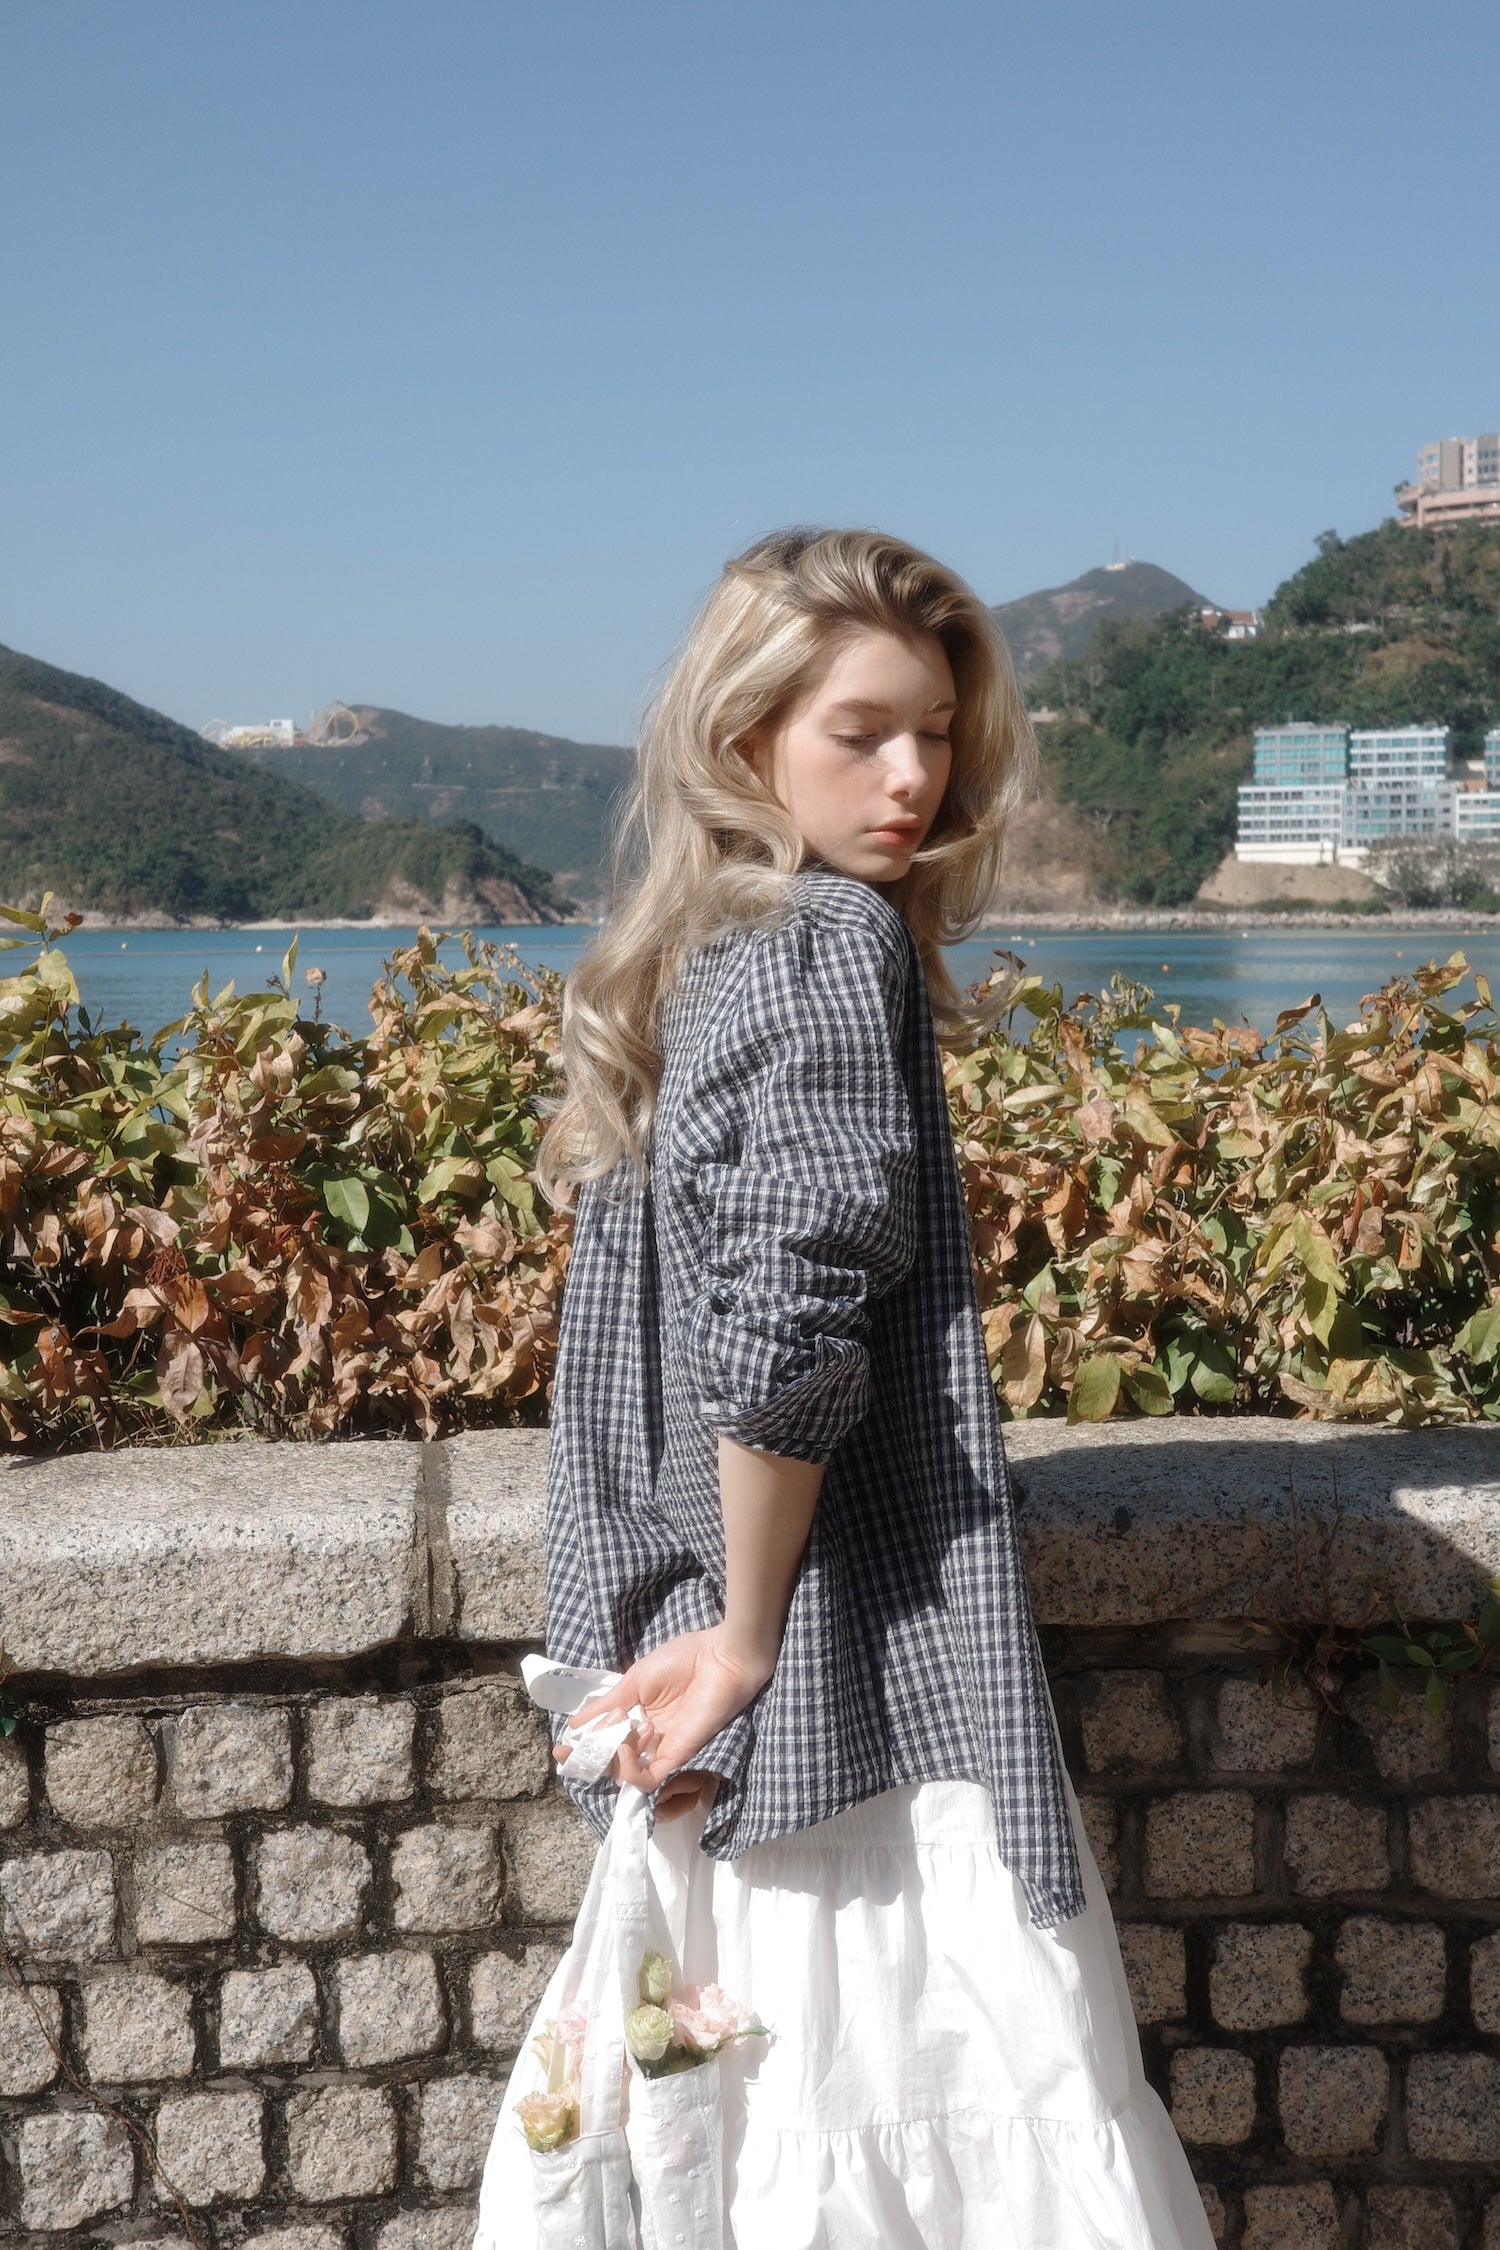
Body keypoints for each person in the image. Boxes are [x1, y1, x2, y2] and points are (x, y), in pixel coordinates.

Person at [474, 527, 1213, 2249]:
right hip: (851, 1691)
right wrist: (746, 1634)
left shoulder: (698, 950)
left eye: (936, 733)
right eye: (859, 731)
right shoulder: (825, 939)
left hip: (720, 1688)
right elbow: (789, 1326)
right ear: (745, 741)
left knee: (748, 2161)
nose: (912, 779)